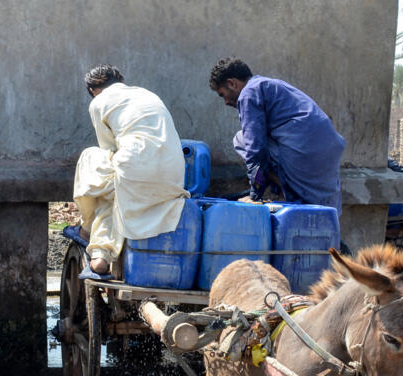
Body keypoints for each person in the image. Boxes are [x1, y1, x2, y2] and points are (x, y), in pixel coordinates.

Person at [69, 65, 188, 278]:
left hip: (136, 168)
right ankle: (100, 253)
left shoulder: (99, 103)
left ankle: (92, 242)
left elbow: (108, 148)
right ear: (120, 81)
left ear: (93, 91)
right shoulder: (147, 94)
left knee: (92, 161)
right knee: (118, 184)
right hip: (175, 175)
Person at [209, 58, 346, 214]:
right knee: (327, 213)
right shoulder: (269, 85)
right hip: (329, 151)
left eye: (223, 95)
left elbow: (256, 149)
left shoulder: (248, 94)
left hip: (304, 153)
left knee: (241, 139)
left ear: (232, 83)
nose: (226, 101)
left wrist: (255, 194)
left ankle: (288, 190)